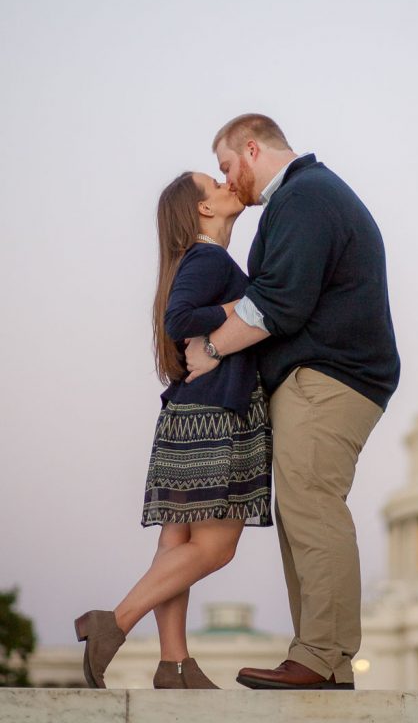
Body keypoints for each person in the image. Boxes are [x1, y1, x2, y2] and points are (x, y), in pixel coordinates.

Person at [185, 114, 400, 690]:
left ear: (252, 149)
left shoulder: (304, 196)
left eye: (229, 166)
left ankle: (322, 656)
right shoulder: (309, 195)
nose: (230, 181)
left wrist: (209, 348)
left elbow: (278, 304)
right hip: (332, 375)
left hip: (328, 376)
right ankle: (321, 660)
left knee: (312, 507)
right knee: (302, 512)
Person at [74, 171, 272, 689]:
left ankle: (174, 664)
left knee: (176, 543)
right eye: (216, 184)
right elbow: (179, 318)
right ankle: (112, 623)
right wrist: (244, 306)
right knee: (215, 547)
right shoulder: (208, 258)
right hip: (216, 417)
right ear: (203, 210)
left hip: (189, 413)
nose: (231, 184)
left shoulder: (198, 259)